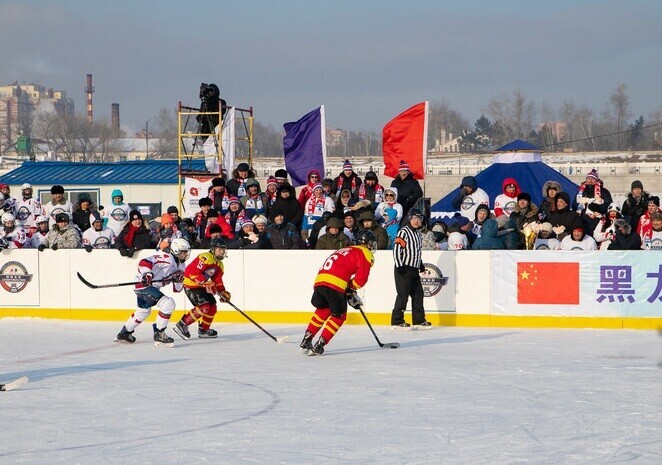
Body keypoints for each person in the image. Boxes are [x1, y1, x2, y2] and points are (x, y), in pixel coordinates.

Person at [300, 229, 377, 355]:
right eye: (371, 243)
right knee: (339, 316)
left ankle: (306, 339)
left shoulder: (345, 249)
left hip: (320, 282)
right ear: (367, 243)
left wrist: (347, 288)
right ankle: (320, 344)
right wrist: (350, 287)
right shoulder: (365, 253)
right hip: (335, 285)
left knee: (323, 311)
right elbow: (361, 279)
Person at [115, 238, 190, 346]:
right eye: (184, 252)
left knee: (143, 311)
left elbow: (177, 290)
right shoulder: (167, 258)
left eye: (186, 252)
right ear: (176, 251)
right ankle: (159, 333)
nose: (186, 255)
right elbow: (145, 262)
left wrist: (178, 280)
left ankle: (125, 333)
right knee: (168, 304)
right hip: (144, 285)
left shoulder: (182, 266)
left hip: (150, 288)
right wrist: (147, 274)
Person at [173, 238, 231, 340]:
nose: (221, 252)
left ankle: (204, 330)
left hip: (201, 286)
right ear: (213, 249)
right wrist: (204, 282)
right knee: (204, 306)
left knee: (212, 307)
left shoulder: (220, 264)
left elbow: (217, 280)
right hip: (191, 285)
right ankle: (182, 324)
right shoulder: (205, 257)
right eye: (219, 249)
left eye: (223, 249)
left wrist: (222, 292)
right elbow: (190, 272)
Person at [391, 208, 430, 328]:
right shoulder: (404, 232)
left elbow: (416, 252)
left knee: (418, 294)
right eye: (414, 218)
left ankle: (418, 320)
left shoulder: (418, 233)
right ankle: (397, 320)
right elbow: (397, 250)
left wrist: (421, 265)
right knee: (403, 295)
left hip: (414, 269)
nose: (417, 221)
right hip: (403, 268)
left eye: (419, 218)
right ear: (410, 218)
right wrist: (399, 265)